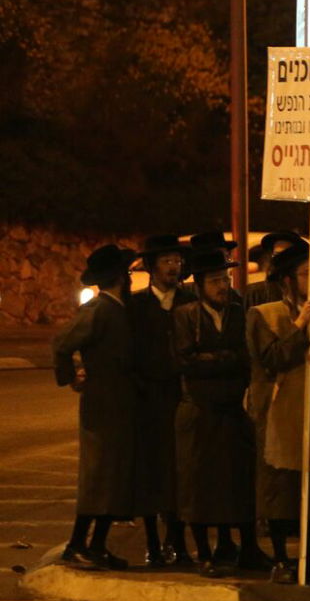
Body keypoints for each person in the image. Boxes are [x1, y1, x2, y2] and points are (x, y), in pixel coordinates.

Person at [246, 240, 310, 583]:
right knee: (281, 487)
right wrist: (299, 324)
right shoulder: (264, 314)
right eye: (307, 273)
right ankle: (281, 557)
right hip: (279, 411)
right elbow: (270, 359)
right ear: (288, 279)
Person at [172, 245, 271, 576]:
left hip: (232, 408)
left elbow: (247, 356)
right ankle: (205, 552)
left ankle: (247, 547)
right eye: (215, 280)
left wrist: (215, 358)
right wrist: (223, 359)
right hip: (200, 411)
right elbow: (185, 361)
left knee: (239, 481)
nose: (222, 286)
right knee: (200, 485)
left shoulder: (238, 312)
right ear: (199, 284)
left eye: (225, 279)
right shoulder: (185, 315)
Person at [54, 244, 141, 570]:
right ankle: (77, 544)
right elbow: (62, 343)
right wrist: (71, 376)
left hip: (118, 403)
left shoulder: (117, 308)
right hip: (102, 404)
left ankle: (98, 545)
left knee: (113, 476)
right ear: (120, 276)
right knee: (97, 477)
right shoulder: (99, 310)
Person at [128, 234, 197, 567]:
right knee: (151, 473)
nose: (174, 267)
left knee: (180, 472)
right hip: (149, 401)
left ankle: (178, 540)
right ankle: (153, 543)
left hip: (183, 397)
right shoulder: (137, 306)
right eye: (168, 261)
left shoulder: (188, 301)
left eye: (177, 261)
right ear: (152, 267)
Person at [243, 230, 302, 308]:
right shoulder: (255, 293)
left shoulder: (306, 292)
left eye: (287, 254)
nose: (280, 259)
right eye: (277, 254)